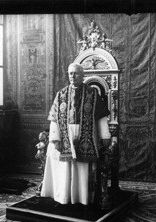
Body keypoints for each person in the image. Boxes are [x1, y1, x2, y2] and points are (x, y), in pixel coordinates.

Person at [40, 63, 111, 205]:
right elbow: (54, 119)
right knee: (64, 166)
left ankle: (82, 197)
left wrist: (105, 135)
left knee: (82, 167)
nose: (72, 76)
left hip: (86, 134)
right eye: (70, 73)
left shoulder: (93, 94)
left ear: (82, 75)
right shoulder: (61, 95)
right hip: (65, 134)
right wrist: (55, 137)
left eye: (76, 73)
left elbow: (101, 117)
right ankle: (64, 196)